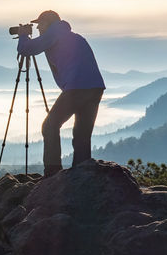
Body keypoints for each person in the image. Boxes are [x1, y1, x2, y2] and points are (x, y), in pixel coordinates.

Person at [17, 9, 105, 175]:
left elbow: (27, 49)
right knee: (82, 133)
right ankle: (82, 172)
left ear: (48, 23)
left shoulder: (54, 34)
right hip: (96, 87)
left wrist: (23, 36)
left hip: (77, 87)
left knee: (50, 126)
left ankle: (52, 173)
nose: (37, 29)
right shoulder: (72, 36)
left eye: (39, 24)